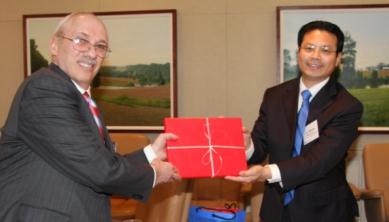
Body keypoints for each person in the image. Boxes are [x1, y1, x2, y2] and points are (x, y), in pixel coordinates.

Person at [0, 12, 180, 222]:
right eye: (81, 41)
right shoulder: (45, 88)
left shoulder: (84, 100)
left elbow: (96, 162)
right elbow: (99, 169)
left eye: (100, 46)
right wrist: (154, 174)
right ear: (54, 46)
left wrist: (151, 153)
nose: (91, 53)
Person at [226, 20, 363, 222]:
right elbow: (260, 144)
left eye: (325, 50)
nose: (315, 56)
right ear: (299, 52)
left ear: (337, 59)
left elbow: (319, 161)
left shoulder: (347, 106)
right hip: (276, 209)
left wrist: (266, 172)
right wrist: (246, 146)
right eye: (309, 48)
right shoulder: (274, 96)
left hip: (324, 212)